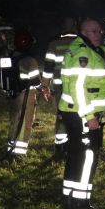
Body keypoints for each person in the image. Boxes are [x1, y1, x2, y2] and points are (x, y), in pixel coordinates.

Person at [59, 19, 105, 209]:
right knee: (87, 155)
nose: (98, 34)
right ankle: (80, 204)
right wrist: (89, 116)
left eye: (100, 31)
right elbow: (78, 88)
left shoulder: (82, 48)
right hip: (81, 112)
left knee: (75, 154)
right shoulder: (84, 52)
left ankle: (68, 197)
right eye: (94, 31)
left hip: (74, 111)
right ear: (83, 32)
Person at [40, 17, 78, 160]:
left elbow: (48, 67)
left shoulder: (53, 43)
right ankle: (75, 145)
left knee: (61, 117)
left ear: (62, 26)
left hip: (59, 87)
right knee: (77, 114)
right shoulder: (81, 42)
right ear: (75, 26)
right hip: (77, 86)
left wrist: (45, 85)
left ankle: (61, 148)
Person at [2, 29, 42, 156]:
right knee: (25, 123)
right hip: (27, 96)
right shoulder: (30, 60)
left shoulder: (10, 58)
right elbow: (36, 82)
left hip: (13, 95)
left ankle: (10, 149)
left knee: (15, 122)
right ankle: (19, 153)